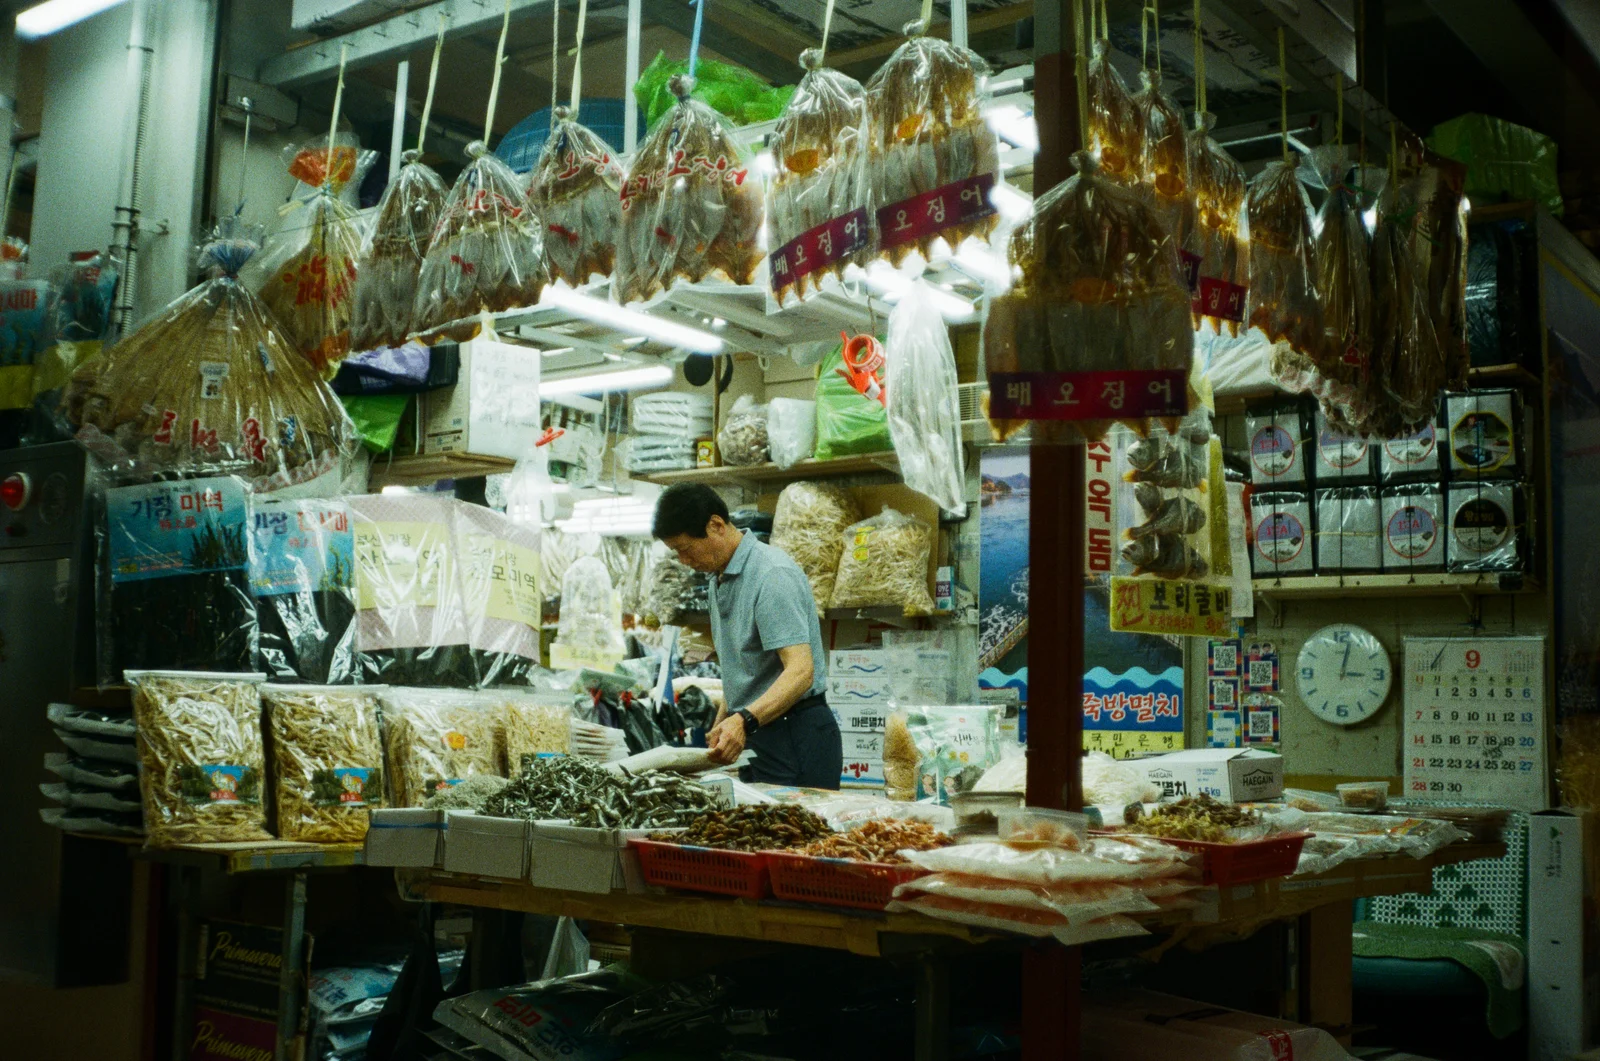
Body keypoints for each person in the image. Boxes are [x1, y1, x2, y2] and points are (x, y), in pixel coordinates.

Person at [652, 483, 843, 789]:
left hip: (795, 732)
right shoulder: (719, 579)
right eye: (676, 552)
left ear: (715, 525)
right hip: (759, 732)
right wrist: (721, 725)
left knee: (795, 835)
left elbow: (801, 671)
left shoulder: (771, 573)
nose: (684, 561)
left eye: (686, 549)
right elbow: (742, 669)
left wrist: (743, 720)